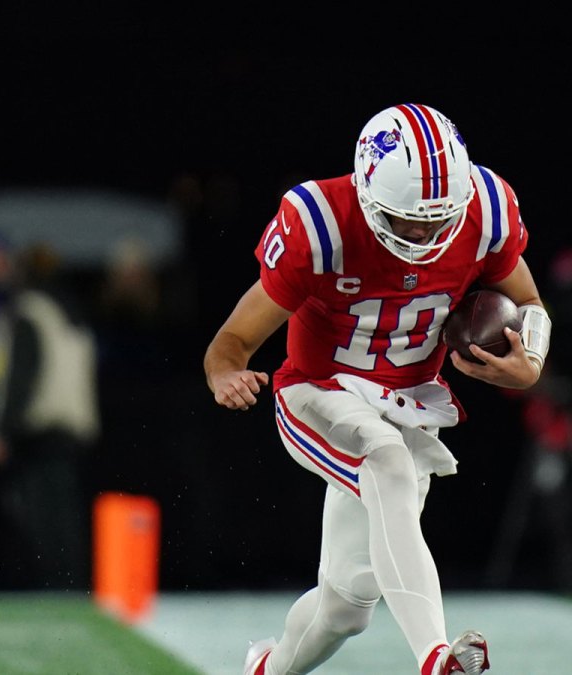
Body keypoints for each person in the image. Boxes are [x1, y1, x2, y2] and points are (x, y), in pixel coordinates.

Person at [204, 103, 551, 675]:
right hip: (319, 392)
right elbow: (234, 338)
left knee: (348, 605)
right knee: (386, 460)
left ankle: (265, 670)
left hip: (409, 404)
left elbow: (530, 302)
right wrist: (225, 372)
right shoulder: (321, 223)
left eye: (438, 219)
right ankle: (436, 658)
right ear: (367, 195)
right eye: (407, 219)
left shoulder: (486, 209)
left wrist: (530, 360)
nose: (423, 233)